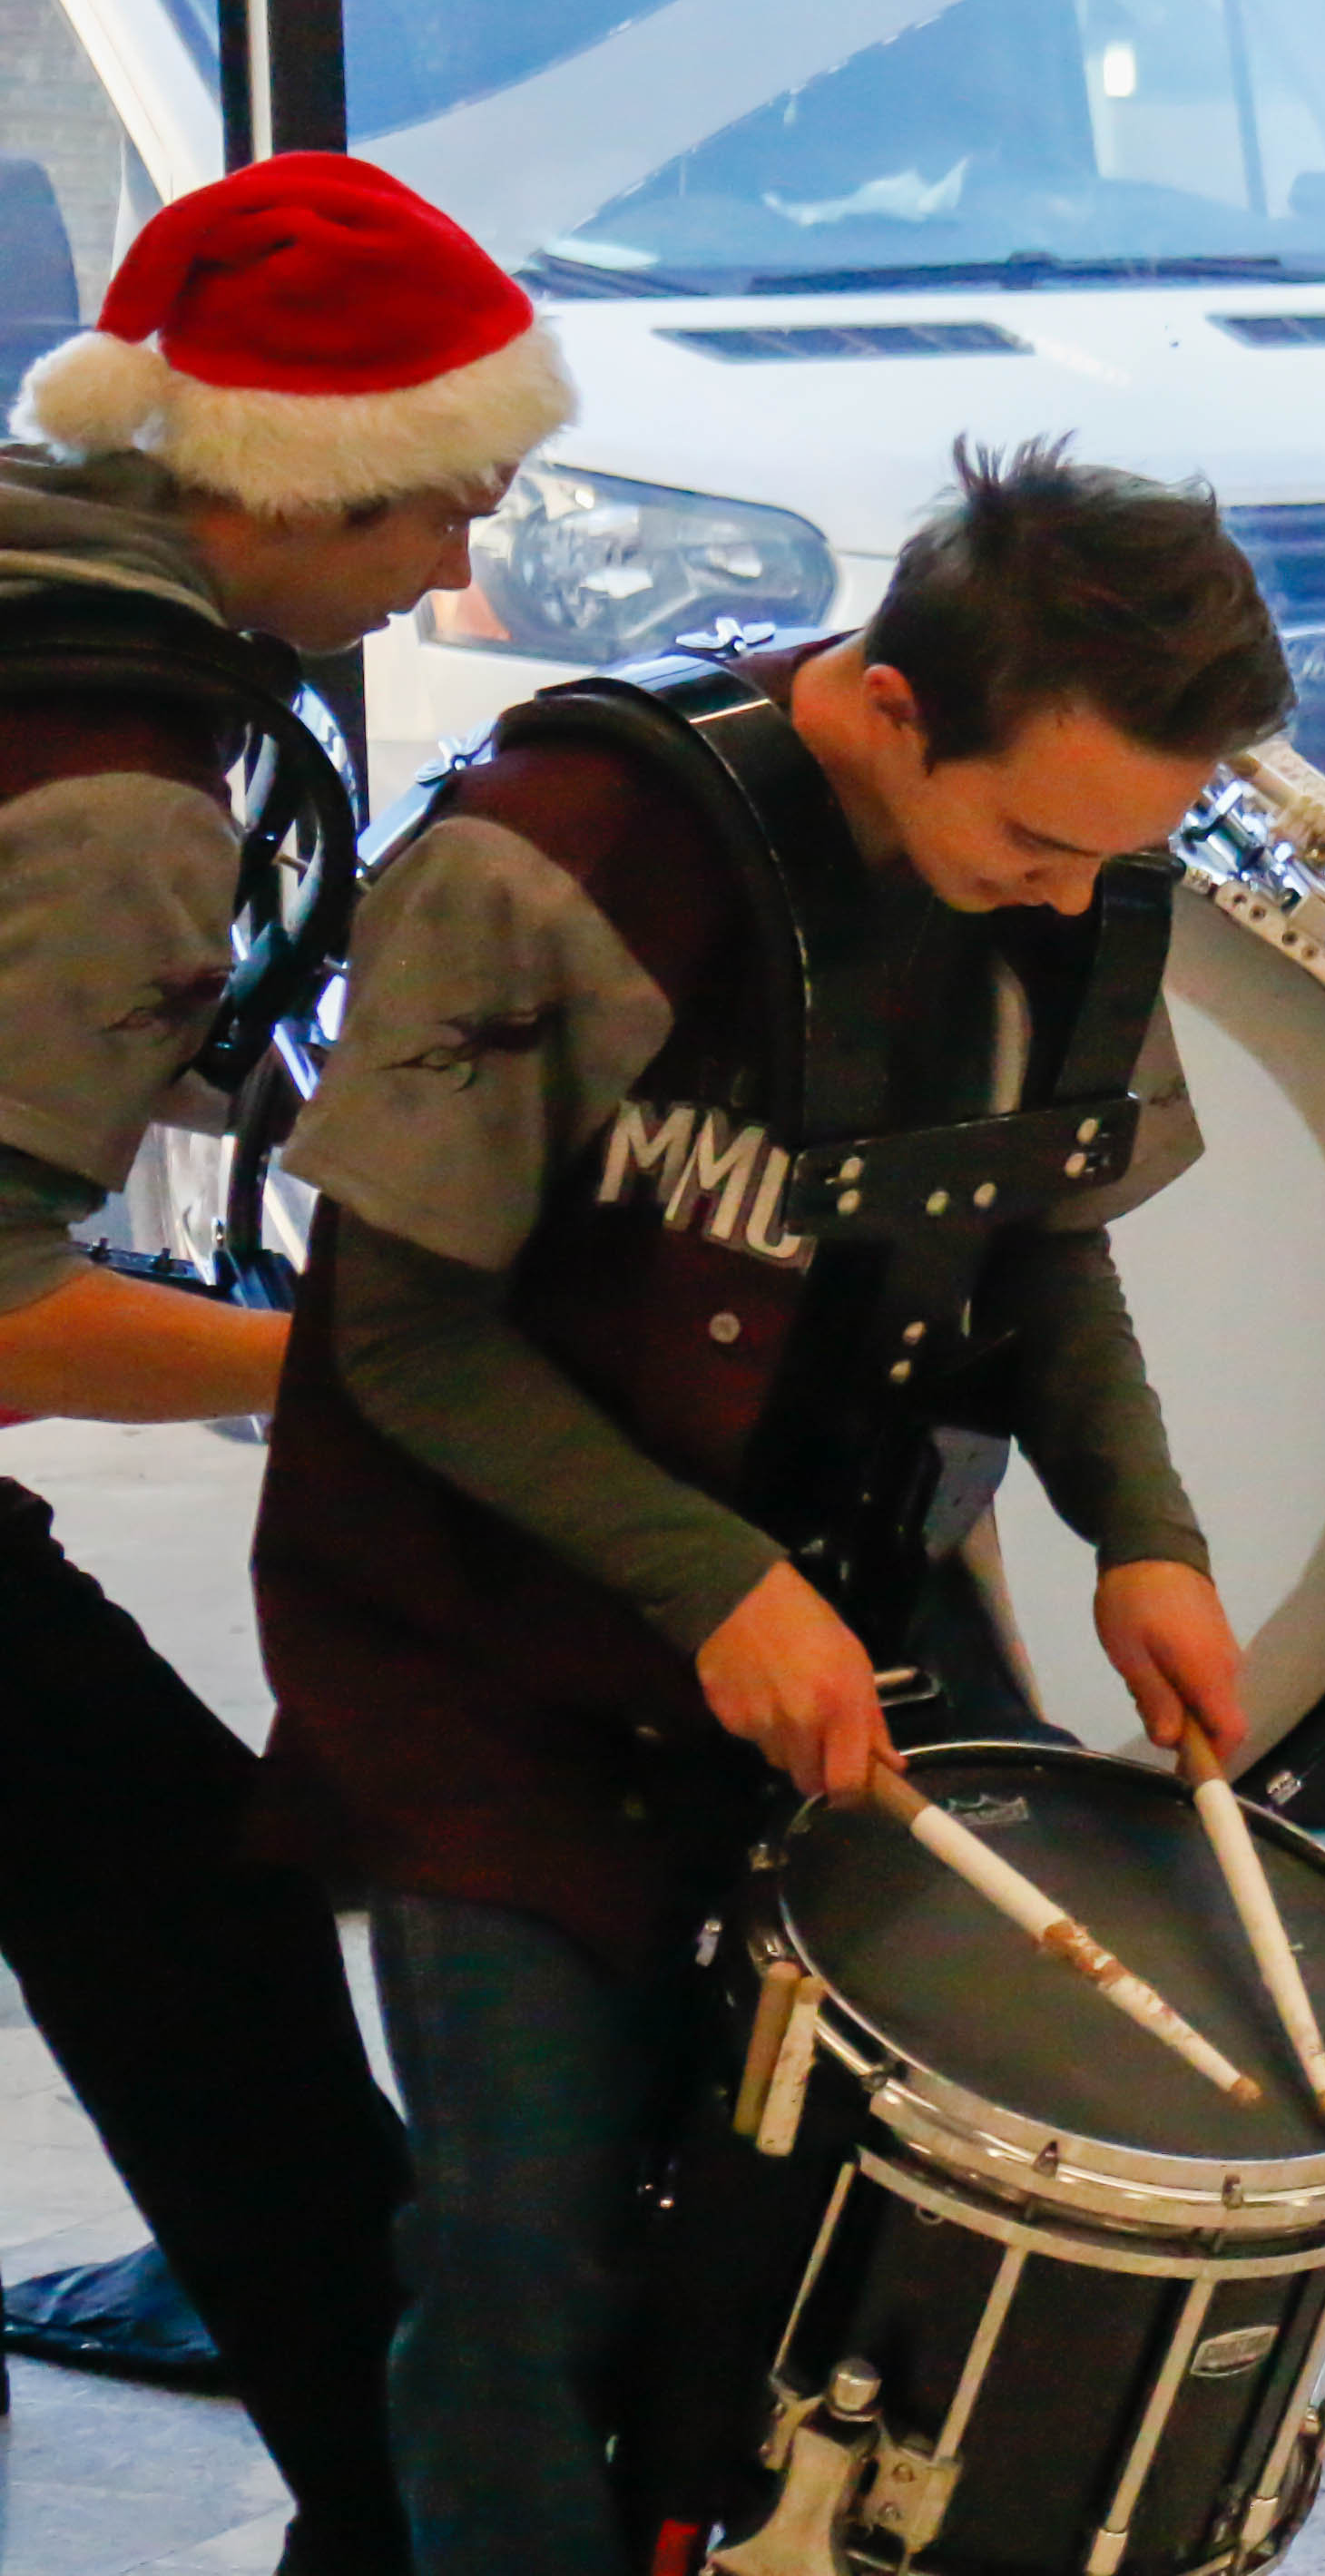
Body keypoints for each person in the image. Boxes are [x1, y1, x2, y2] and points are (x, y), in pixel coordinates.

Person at [248, 440, 1279, 2567]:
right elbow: (400, 1341)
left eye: (1125, 854)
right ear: (892, 707)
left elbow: (1038, 1239)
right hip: (491, 1662)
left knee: (799, 2249)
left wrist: (1146, 1535)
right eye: (1036, 838)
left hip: (831, 1606)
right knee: (522, 2251)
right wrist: (711, 1581)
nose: (1079, 897)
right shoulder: (554, 859)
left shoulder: (1073, 877)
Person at [0, 155, 576, 2570]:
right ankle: (418, 2500)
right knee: (179, 1916)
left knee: (166, 1906)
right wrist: (330, 1353)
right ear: (291, 484)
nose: (467, 540)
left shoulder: (41, 578)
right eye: (448, 484)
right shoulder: (126, 776)